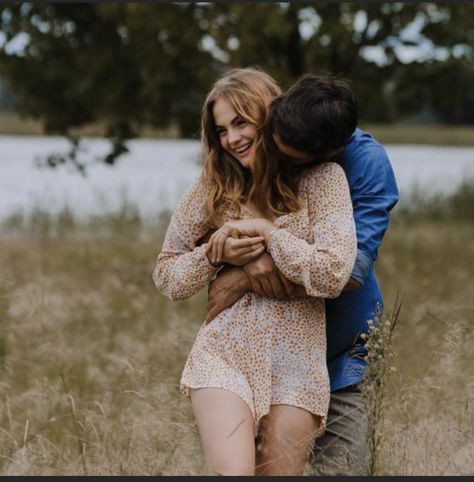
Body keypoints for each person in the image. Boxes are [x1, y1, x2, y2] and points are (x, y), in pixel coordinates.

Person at [152, 67, 357, 476]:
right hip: (224, 353)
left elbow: (333, 273)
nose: (232, 139)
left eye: (241, 122)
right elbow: (167, 275)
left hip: (299, 363)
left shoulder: (323, 180)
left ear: (270, 115)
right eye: (222, 130)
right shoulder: (211, 186)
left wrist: (269, 235)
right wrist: (212, 255)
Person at [206, 73, 400, 475]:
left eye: (289, 157)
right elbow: (206, 242)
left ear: (328, 152)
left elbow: (344, 272)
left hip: (341, 349)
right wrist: (236, 257)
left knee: (342, 470)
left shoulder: (363, 163)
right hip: (271, 356)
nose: (271, 158)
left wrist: (246, 274)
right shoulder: (277, 129)